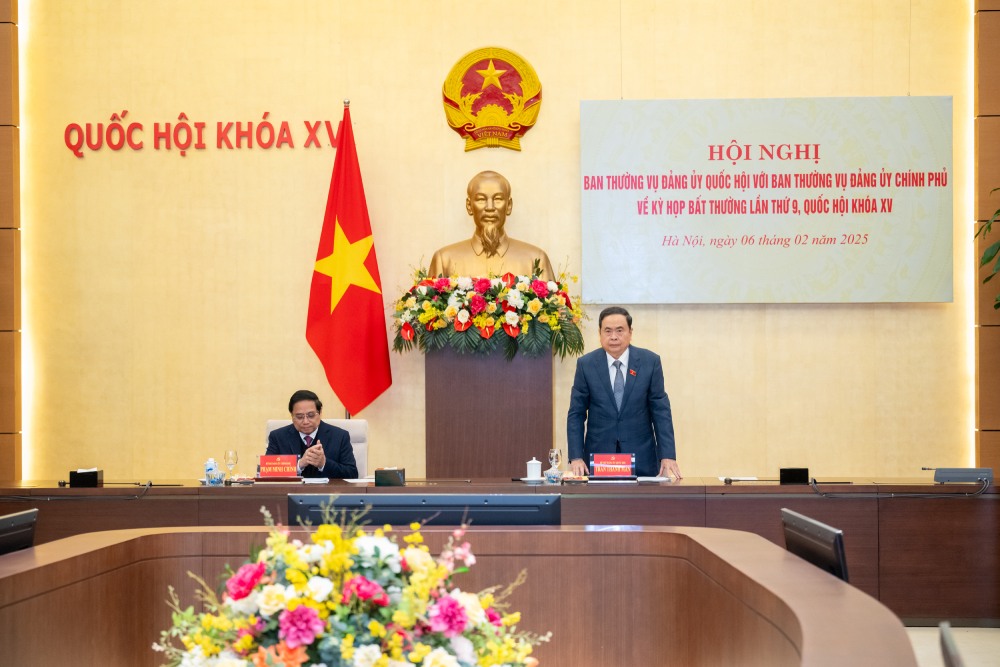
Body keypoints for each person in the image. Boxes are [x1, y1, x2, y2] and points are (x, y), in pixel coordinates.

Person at [567, 306, 681, 479]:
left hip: (642, 457)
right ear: (600, 333)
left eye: (620, 330)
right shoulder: (586, 364)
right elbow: (576, 413)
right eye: (608, 331)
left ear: (630, 332)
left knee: (640, 506)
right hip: (599, 459)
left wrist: (667, 454)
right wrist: (576, 457)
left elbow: (660, 411)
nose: (614, 337)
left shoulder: (650, 362)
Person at [428, 170, 555, 280]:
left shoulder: (535, 260)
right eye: (481, 199)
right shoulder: (444, 260)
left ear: (509, 205)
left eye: (498, 199)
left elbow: (554, 307)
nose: (490, 207)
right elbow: (431, 307)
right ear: (469, 206)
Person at [265, 389, 358, 478]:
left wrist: (324, 463)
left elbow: (352, 474)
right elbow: (267, 472)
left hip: (327, 493)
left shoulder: (340, 436)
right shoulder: (277, 437)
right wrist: (299, 465)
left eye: (311, 415)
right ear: (292, 415)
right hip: (291, 493)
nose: (305, 421)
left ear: (320, 412)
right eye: (299, 416)